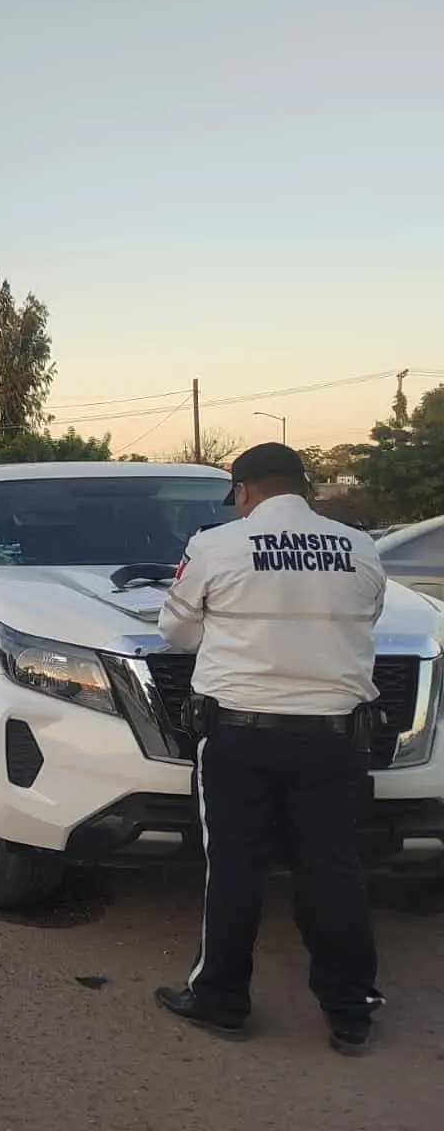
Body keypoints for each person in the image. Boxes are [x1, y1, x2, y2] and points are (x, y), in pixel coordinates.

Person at [155, 443, 388, 1055]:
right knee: (332, 868)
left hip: (240, 735)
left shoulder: (216, 546)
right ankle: (350, 1010)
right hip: (334, 738)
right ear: (302, 487)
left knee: (234, 867)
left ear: (244, 492)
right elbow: (366, 616)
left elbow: (174, 630)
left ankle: (222, 1000)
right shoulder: (360, 547)